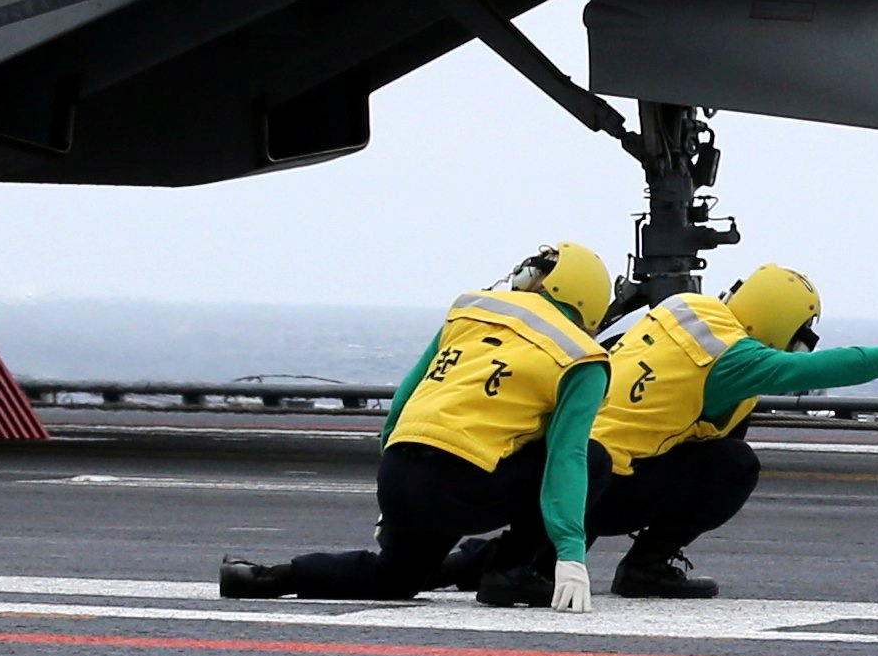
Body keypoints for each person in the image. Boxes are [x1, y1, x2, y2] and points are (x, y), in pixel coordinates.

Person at [443, 262, 878, 602]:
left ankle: (452, 563)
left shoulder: (677, 310)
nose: (803, 344)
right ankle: (645, 566)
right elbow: (807, 372)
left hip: (563, 467)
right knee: (734, 466)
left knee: (535, 554)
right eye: (802, 331)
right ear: (781, 322)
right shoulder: (734, 358)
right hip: (609, 485)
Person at [220, 242, 617, 610]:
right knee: (596, 459)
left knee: (392, 579)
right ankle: (511, 571)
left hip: (398, 476)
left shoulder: (472, 310)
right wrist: (570, 552)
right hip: (461, 486)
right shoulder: (582, 356)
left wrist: (390, 510)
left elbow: (404, 400)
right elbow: (568, 457)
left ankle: (259, 578)